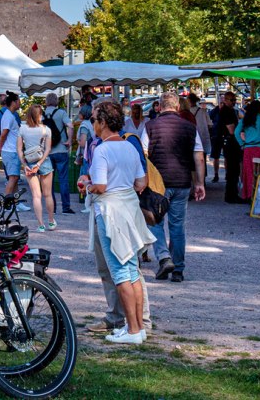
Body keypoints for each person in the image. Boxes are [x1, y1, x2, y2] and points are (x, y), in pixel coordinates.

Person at [76, 101, 156, 345]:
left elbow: (100, 186)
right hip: (129, 208)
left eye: (95, 120)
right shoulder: (131, 146)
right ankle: (138, 326)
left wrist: (86, 184)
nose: (93, 125)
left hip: (110, 211)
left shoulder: (101, 149)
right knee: (132, 271)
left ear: (102, 122)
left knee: (120, 271)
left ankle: (132, 329)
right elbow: (141, 181)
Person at [142, 92, 207, 283]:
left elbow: (143, 154)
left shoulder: (150, 126)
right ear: (178, 107)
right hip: (181, 182)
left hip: (158, 184)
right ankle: (178, 269)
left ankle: (164, 257)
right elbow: (199, 157)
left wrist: (143, 180)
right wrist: (200, 183)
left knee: (155, 222)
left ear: (159, 107)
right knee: (177, 226)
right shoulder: (190, 127)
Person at [15, 105, 55, 232]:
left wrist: (25, 165)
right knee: (48, 195)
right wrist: (40, 163)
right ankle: (51, 221)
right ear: (39, 115)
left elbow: (19, 150)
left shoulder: (22, 129)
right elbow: (48, 149)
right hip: (44, 162)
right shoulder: (46, 129)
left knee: (36, 196)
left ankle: (41, 224)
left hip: (29, 162)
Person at [234, 99, 260, 201]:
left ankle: (249, 195)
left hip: (248, 149)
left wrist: (242, 144)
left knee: (248, 172)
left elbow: (236, 132)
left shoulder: (245, 120)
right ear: (259, 109)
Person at [0, 95, 27, 210]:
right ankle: (6, 204)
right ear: (13, 102)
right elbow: (4, 133)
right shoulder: (8, 116)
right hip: (11, 151)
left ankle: (16, 202)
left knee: (14, 178)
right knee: (13, 178)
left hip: (12, 150)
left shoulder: (10, 115)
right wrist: (0, 146)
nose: (20, 103)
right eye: (18, 101)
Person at [46, 98, 73, 215]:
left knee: (49, 182)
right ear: (56, 102)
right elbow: (71, 126)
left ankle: (53, 207)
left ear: (46, 102)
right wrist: (69, 141)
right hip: (61, 149)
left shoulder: (42, 114)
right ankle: (66, 207)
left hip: (48, 152)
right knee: (63, 180)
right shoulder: (61, 113)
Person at [216, 92, 244, 203]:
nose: (234, 102)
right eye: (231, 100)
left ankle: (232, 194)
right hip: (230, 142)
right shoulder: (226, 112)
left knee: (234, 170)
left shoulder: (230, 111)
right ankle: (231, 195)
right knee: (233, 170)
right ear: (225, 100)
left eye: (234, 99)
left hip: (231, 142)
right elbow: (231, 130)